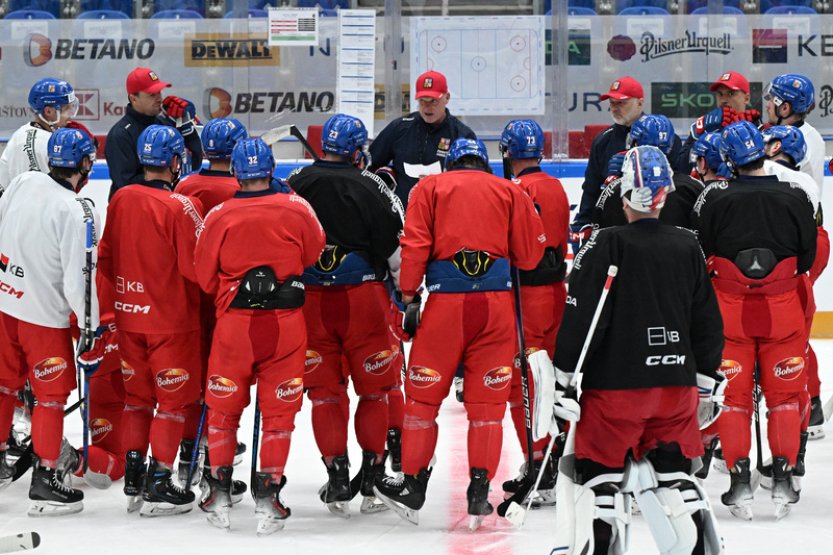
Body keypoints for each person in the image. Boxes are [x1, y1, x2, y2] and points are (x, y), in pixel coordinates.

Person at [553, 145, 725, 554]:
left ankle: (602, 541)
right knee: (674, 472)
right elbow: (707, 322)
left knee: (600, 477)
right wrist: (706, 378)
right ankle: (699, 544)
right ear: (665, 195)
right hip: (675, 388)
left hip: (614, 392)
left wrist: (563, 380)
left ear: (621, 193)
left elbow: (581, 319)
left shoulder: (604, 243)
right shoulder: (688, 245)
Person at [373, 138, 546, 530]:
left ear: (449, 163)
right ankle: (479, 490)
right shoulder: (509, 190)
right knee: (487, 409)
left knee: (422, 400)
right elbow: (530, 256)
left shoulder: (429, 188)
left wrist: (408, 294)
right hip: (496, 308)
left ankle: (413, 484)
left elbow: (414, 244)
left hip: (446, 307)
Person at [194, 138, 325, 534]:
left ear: (235, 171)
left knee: (222, 408)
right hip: (284, 323)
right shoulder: (296, 207)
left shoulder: (219, 214)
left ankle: (218, 491)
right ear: (271, 170)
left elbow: (203, 275)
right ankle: (269, 495)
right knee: (280, 413)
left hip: (234, 324)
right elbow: (314, 253)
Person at [692, 121, 817, 520]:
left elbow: (701, 252)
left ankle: (738, 479)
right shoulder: (795, 195)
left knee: (734, 399)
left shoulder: (714, 197)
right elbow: (808, 258)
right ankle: (782, 476)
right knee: (782, 397)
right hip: (783, 312)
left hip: (729, 314)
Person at [287, 114, 405, 516]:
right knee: (374, 391)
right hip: (363, 301)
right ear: (358, 149)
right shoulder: (372, 185)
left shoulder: (297, 182)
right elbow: (396, 252)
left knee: (324, 393)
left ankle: (337, 474)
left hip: (311, 303)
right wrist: (407, 296)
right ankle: (371, 477)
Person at [98, 125, 204, 516]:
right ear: (176, 161)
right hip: (172, 322)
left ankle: (133, 476)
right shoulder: (180, 206)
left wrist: (111, 311)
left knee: (138, 402)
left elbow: (105, 259)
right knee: (173, 404)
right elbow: (198, 269)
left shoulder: (121, 197)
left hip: (128, 318)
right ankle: (160, 479)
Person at [0, 128, 100, 515]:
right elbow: (81, 280)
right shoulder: (76, 209)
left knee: (5, 387)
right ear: (85, 163)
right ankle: (45, 478)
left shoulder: (24, 181)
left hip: (5, 306)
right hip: (43, 320)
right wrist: (90, 329)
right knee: (51, 397)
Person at [173, 117, 249, 485]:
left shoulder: (186, 184)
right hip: (229, 296)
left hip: (189, 293)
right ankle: (213, 455)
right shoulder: (242, 188)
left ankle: (190, 451)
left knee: (193, 375)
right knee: (222, 379)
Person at [497, 119, 569, 504]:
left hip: (526, 297)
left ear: (507, 152)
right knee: (554, 380)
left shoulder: (514, 191)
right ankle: (555, 456)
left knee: (522, 383)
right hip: (557, 293)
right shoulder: (556, 186)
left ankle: (538, 463)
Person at [570, 76, 683, 253]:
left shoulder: (666, 137)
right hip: (615, 229)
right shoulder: (603, 141)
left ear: (640, 103)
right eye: (612, 103)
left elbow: (679, 184)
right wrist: (582, 223)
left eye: (621, 103)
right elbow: (591, 189)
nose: (614, 108)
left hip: (660, 228)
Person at [369, 70, 476, 207]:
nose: (427, 107)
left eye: (433, 101)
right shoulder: (400, 128)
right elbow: (371, 164)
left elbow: (473, 183)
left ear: (447, 97)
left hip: (444, 214)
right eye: (422, 101)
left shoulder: (461, 135)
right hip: (403, 217)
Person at [105, 67, 203, 199]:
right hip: (134, 211)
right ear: (133, 98)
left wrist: (186, 128)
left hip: (166, 206)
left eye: (159, 93)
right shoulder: (120, 134)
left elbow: (193, 164)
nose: (159, 99)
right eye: (152, 95)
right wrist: (163, 177)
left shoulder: (165, 125)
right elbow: (126, 185)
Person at [593, 114, 703, 230]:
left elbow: (600, 230)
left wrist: (611, 184)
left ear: (635, 144)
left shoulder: (616, 188)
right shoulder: (694, 187)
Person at [0, 78, 79, 192]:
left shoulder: (23, 134)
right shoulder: (39, 144)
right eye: (66, 109)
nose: (70, 116)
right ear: (48, 111)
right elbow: (41, 195)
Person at [675, 71, 761, 171]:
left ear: (746, 98)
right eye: (720, 94)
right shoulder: (703, 126)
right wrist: (701, 136)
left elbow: (759, 169)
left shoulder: (758, 129)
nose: (724, 100)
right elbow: (682, 168)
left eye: (731, 93)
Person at [763, 73, 825, 190]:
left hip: (791, 206)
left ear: (785, 108)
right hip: (804, 204)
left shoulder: (790, 143)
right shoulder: (812, 134)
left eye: (771, 99)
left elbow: (767, 186)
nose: (767, 105)